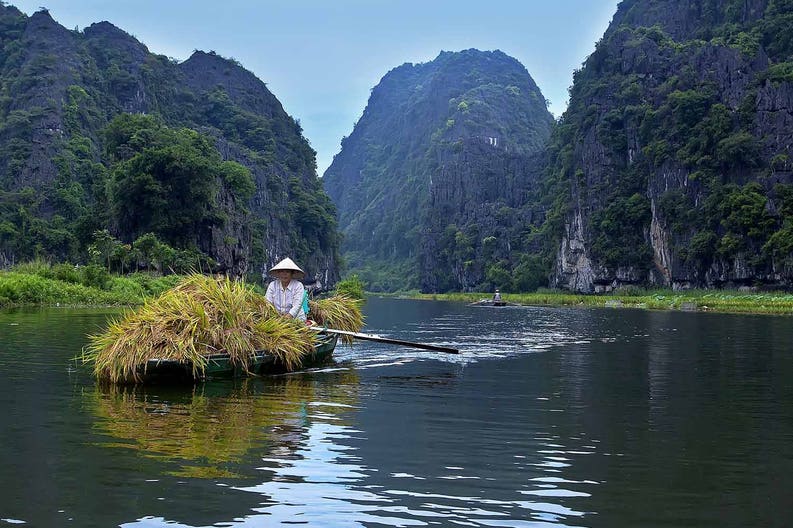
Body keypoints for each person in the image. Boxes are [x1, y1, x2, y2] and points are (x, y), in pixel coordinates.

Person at [265, 257, 307, 322]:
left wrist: (287, 318)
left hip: (296, 320)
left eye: (287, 272)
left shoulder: (298, 286)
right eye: (282, 271)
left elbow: (297, 305)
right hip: (277, 319)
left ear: (292, 274)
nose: (284, 274)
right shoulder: (273, 285)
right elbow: (268, 302)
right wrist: (275, 317)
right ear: (278, 273)